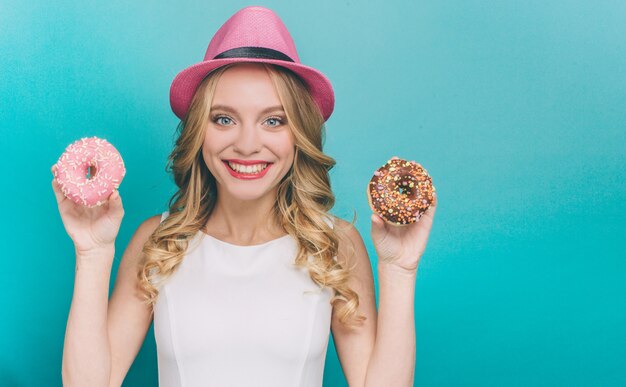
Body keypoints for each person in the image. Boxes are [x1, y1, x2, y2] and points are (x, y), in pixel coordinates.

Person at [51, 6, 437, 387]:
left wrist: (399, 270)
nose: (248, 144)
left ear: (298, 134)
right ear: (199, 131)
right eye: (224, 119)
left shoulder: (335, 246)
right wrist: (92, 253)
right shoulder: (159, 243)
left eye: (273, 120)